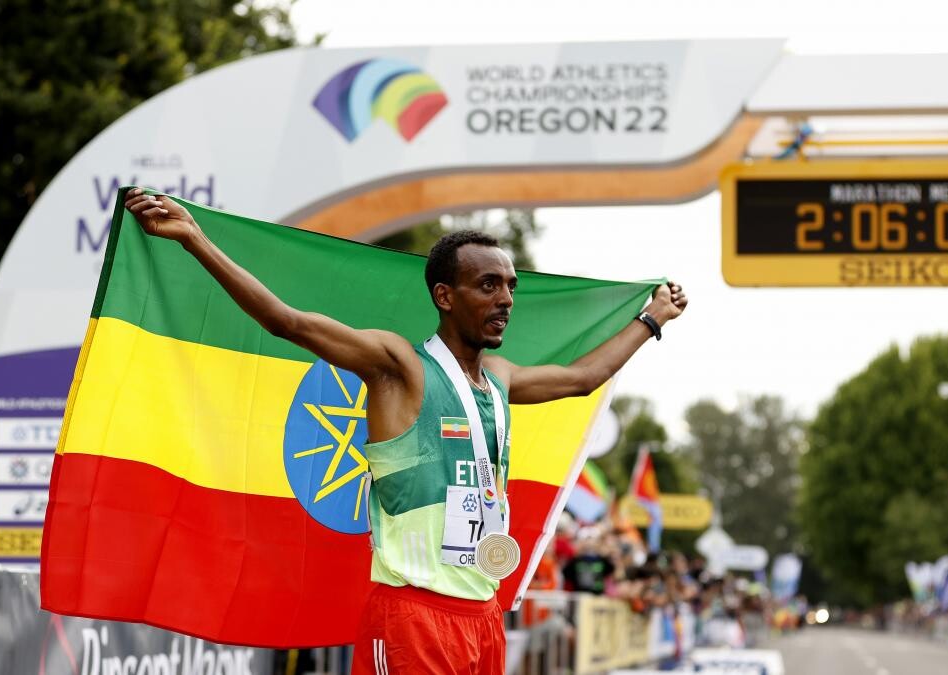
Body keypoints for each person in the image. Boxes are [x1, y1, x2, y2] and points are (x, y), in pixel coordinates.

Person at [125, 189, 687, 674]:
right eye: (488, 285)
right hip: (413, 617)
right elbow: (285, 321)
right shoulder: (400, 367)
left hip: (483, 613)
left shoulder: (500, 377)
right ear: (445, 296)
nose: (506, 300)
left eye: (511, 287)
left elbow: (583, 379)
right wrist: (194, 239)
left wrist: (652, 319)